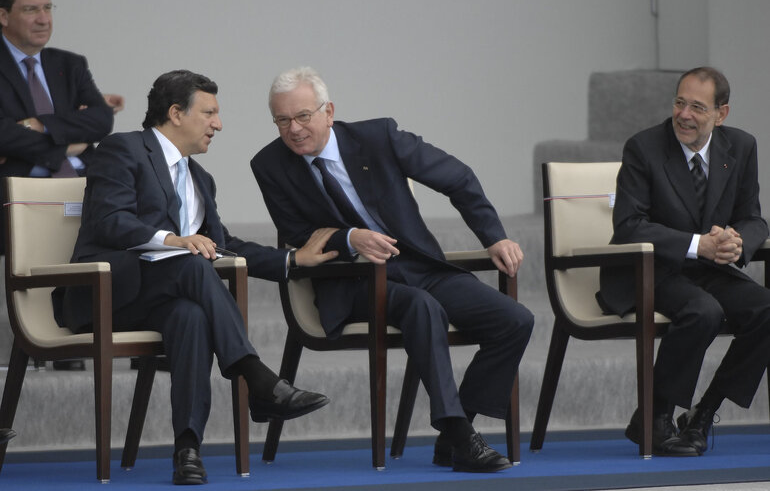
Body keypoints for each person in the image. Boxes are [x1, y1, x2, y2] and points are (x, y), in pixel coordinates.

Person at [54, 70, 337, 485]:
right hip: (106, 295)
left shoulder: (201, 179)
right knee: (190, 263)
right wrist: (173, 239)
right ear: (175, 113)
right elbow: (109, 220)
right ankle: (256, 377)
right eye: (209, 113)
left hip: (165, 298)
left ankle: (187, 449)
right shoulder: (123, 149)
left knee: (190, 316)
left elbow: (222, 245)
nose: (217, 124)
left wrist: (292, 259)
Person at [252, 66, 534, 473]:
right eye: (282, 120)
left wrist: (494, 236)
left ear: (328, 111)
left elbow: (457, 177)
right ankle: (458, 432)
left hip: (419, 266)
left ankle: (457, 434)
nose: (293, 129)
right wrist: (350, 238)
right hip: (350, 282)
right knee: (422, 307)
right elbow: (297, 234)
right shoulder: (269, 164)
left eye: (302, 116)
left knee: (514, 320)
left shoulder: (377, 137)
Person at [598, 67, 770, 457]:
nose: (684, 115)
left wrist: (737, 243)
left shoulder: (740, 147)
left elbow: (753, 216)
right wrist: (698, 244)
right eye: (679, 102)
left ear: (721, 114)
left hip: (707, 269)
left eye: (697, 107)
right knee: (703, 312)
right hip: (649, 270)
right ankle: (655, 418)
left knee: (766, 309)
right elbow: (628, 226)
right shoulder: (644, 148)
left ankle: (702, 416)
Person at [0, 0, 124, 371]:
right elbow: (2, 133)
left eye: (48, 8)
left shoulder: (68, 63)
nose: (43, 19)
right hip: (21, 192)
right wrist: (71, 140)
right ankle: (60, 341)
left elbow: (101, 120)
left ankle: (124, 335)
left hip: (84, 185)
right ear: (3, 16)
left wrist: (39, 125)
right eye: (30, 10)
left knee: (129, 213)